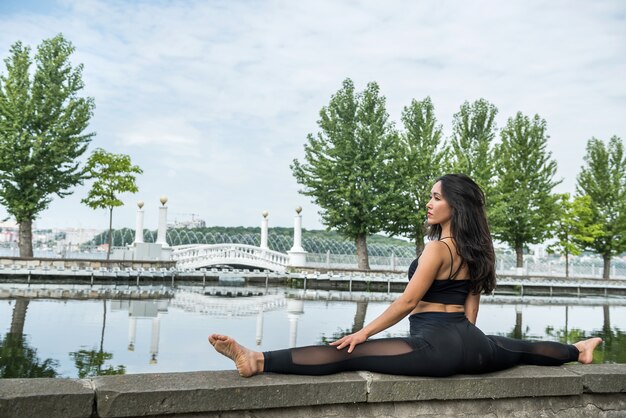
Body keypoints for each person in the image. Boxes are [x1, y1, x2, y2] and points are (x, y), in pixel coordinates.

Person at [209, 173, 602, 377]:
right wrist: (467, 342)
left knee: (348, 353)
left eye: (436, 197)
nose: (428, 203)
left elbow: (409, 301)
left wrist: (363, 332)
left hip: (436, 345)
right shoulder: (474, 248)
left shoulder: (437, 248)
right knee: (521, 348)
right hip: (470, 342)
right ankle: (577, 350)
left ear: (455, 206)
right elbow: (472, 301)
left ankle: (257, 360)